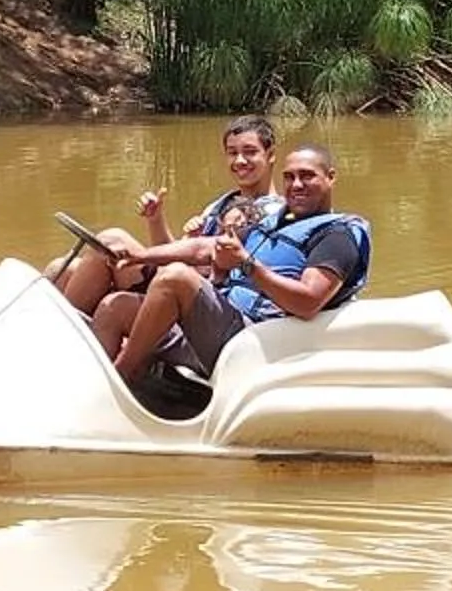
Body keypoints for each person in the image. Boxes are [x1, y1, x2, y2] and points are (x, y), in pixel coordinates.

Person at [92, 145, 371, 388]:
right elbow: (204, 247)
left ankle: (118, 380)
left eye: (307, 176)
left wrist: (247, 264)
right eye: (289, 177)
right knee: (114, 306)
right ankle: (101, 383)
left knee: (175, 278)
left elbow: (308, 301)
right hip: (220, 321)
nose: (296, 184)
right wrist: (140, 256)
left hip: (256, 337)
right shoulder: (274, 220)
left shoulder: (337, 236)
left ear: (331, 177)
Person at [50, 115, 282, 317]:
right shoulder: (220, 204)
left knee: (112, 239)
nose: (239, 161)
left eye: (250, 152)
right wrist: (156, 219)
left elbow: (210, 260)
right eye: (232, 153)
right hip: (175, 277)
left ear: (270, 155)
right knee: (62, 267)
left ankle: (65, 333)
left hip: (204, 298)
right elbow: (173, 254)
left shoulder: (273, 213)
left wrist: (140, 255)